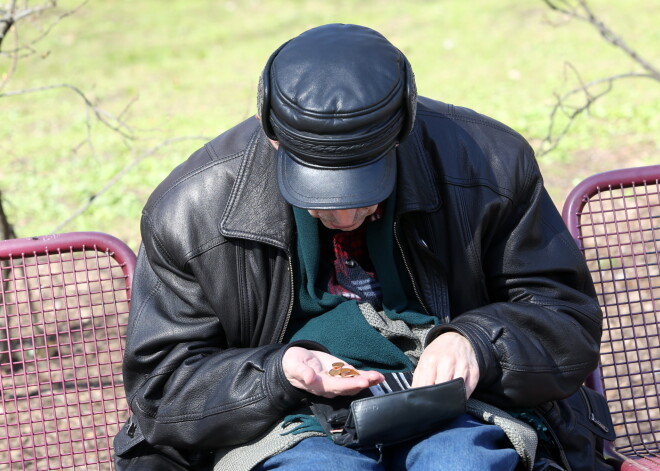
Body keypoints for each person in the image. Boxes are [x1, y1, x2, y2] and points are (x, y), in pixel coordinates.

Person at [114, 23, 603, 471]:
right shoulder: (189, 211)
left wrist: (478, 342)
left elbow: (565, 318)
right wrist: (279, 374)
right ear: (274, 137)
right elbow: (162, 387)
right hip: (283, 424)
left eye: (366, 188)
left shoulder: (489, 164)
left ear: (402, 131)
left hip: (457, 408)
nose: (346, 216)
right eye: (319, 196)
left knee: (461, 462)